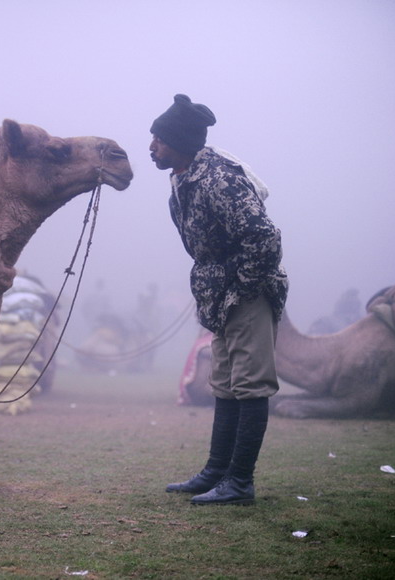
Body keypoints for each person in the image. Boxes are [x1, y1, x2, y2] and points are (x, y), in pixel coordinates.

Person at [149, 94, 288, 505]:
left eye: (158, 139)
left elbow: (265, 238)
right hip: (220, 297)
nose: (152, 147)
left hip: (245, 293)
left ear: (179, 142)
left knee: (250, 385)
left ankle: (240, 482)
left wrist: (240, 288)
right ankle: (217, 472)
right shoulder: (186, 178)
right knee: (225, 385)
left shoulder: (218, 179)